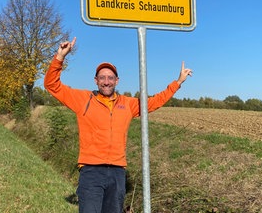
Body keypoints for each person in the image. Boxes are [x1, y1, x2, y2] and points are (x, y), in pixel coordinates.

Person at [44, 37, 192, 213]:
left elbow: (154, 102)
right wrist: (60, 57)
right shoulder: (83, 100)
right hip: (91, 171)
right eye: (102, 78)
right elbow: (52, 85)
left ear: (117, 81)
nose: (106, 81)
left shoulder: (127, 103)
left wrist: (178, 82)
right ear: (95, 80)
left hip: (117, 172)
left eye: (110, 78)